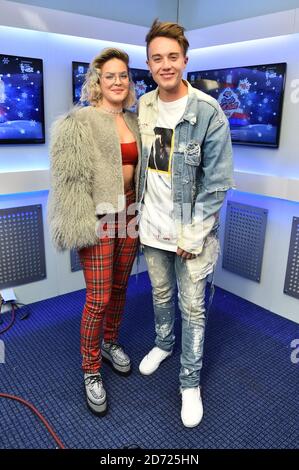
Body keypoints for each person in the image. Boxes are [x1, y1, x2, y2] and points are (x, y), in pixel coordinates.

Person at [137, 20, 234, 428]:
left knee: (191, 308)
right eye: (157, 58)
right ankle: (162, 344)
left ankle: (189, 383)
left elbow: (216, 184)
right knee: (160, 293)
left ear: (185, 60)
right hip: (151, 225)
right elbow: (149, 167)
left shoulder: (208, 112)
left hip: (190, 233)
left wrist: (191, 235)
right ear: (149, 63)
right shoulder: (144, 105)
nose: (165, 64)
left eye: (172, 57)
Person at [48, 48, 141, 416]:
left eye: (123, 76)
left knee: (120, 286)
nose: (118, 82)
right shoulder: (80, 121)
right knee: (98, 297)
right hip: (98, 215)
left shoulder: (135, 121)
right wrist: (81, 223)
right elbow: (68, 181)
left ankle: (110, 341)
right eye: (110, 76)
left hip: (131, 209)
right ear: (97, 81)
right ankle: (90, 369)